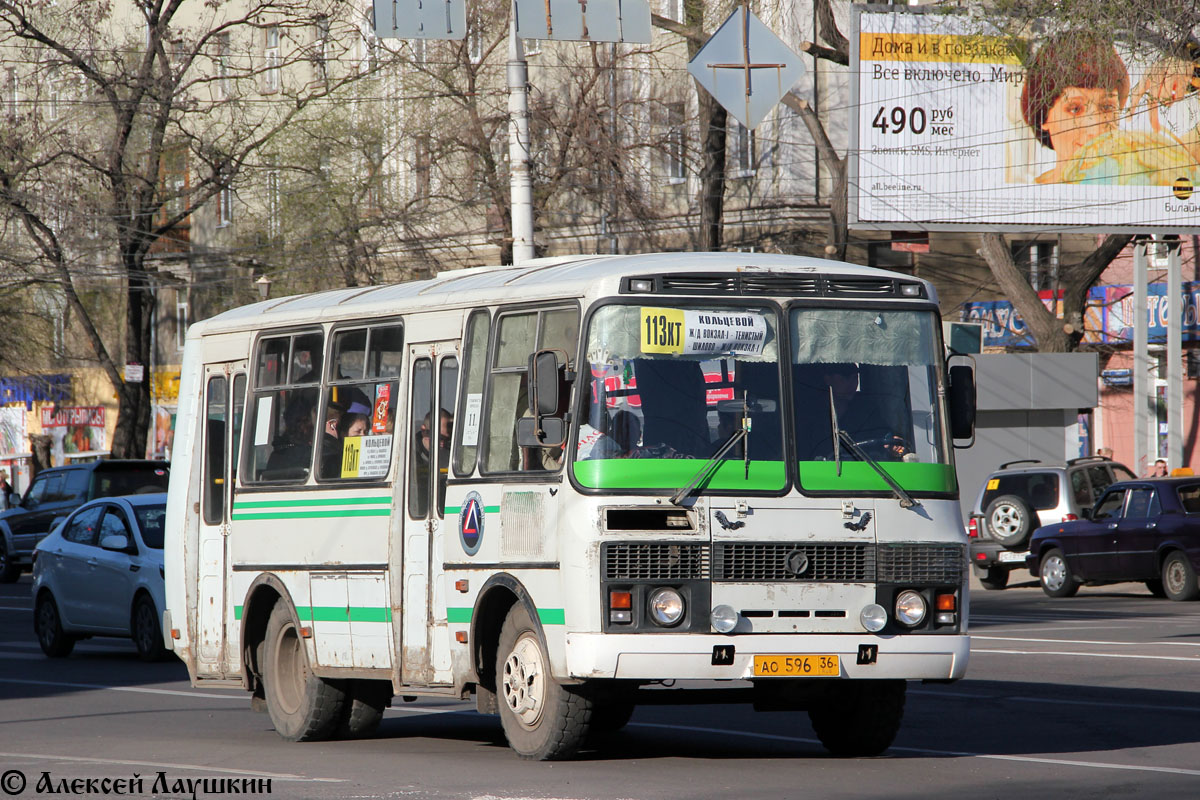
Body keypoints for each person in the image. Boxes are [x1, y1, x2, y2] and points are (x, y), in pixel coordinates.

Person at [1022, 34, 1200, 185]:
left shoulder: (1156, 169)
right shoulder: (1027, 196)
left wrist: (1193, 72)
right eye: (1075, 109)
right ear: (1043, 117)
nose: (1096, 129)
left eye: (1106, 107)